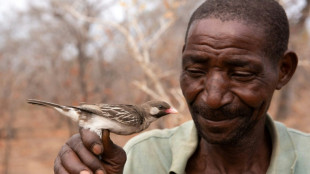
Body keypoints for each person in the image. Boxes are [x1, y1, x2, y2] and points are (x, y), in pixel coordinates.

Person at [54, 0, 310, 173]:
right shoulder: (141, 158)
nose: (212, 98)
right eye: (195, 71)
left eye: (241, 74)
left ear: (284, 70)